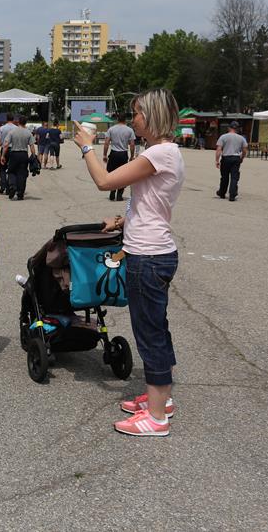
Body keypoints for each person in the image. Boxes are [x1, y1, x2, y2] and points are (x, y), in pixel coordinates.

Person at [72, 88, 184, 437]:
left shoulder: (160, 152)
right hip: (153, 250)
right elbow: (150, 201)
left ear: (151, 116)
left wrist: (87, 146)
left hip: (148, 256)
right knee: (156, 328)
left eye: (136, 113)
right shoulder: (163, 152)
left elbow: (105, 181)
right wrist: (122, 222)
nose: (133, 118)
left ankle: (156, 418)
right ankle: (160, 399)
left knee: (149, 333)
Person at [1, 114, 37, 201]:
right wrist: (33, 156)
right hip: (24, 155)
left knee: (11, 171)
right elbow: (32, 146)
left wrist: (2, 156)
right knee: (22, 174)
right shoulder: (28, 133)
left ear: (18, 122)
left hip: (14, 154)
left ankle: (12, 186)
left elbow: (6, 145)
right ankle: (20, 193)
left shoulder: (12, 132)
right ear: (25, 123)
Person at [102, 114, 136, 202]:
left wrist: (105, 155)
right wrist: (132, 156)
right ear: (125, 120)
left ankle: (112, 191)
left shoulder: (111, 129)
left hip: (113, 154)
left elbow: (106, 143)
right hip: (123, 154)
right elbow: (132, 144)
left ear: (117, 119)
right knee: (123, 175)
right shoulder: (129, 130)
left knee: (112, 173)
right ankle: (119, 195)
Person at [215, 120, 248, 202]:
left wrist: (217, 160)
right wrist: (242, 158)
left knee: (224, 177)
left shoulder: (223, 137)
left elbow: (219, 149)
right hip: (236, 158)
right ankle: (232, 194)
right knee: (234, 177)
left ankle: (222, 193)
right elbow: (244, 150)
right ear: (237, 129)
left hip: (226, 158)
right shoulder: (241, 138)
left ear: (229, 128)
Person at [0, 118, 16, 194]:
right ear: (13, 119)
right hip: (13, 150)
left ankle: (3, 185)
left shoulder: (2, 128)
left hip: (4, 150)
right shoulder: (16, 128)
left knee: (2, 169)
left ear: (6, 119)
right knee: (11, 170)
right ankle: (8, 187)